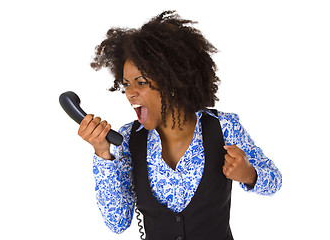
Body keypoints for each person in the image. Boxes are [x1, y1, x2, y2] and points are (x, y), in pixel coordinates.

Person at [78, 10, 282, 240]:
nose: (130, 93)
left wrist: (249, 175)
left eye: (141, 82)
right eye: (126, 84)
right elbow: (117, 222)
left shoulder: (224, 127)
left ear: (172, 81)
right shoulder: (127, 139)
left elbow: (274, 181)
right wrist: (102, 153)